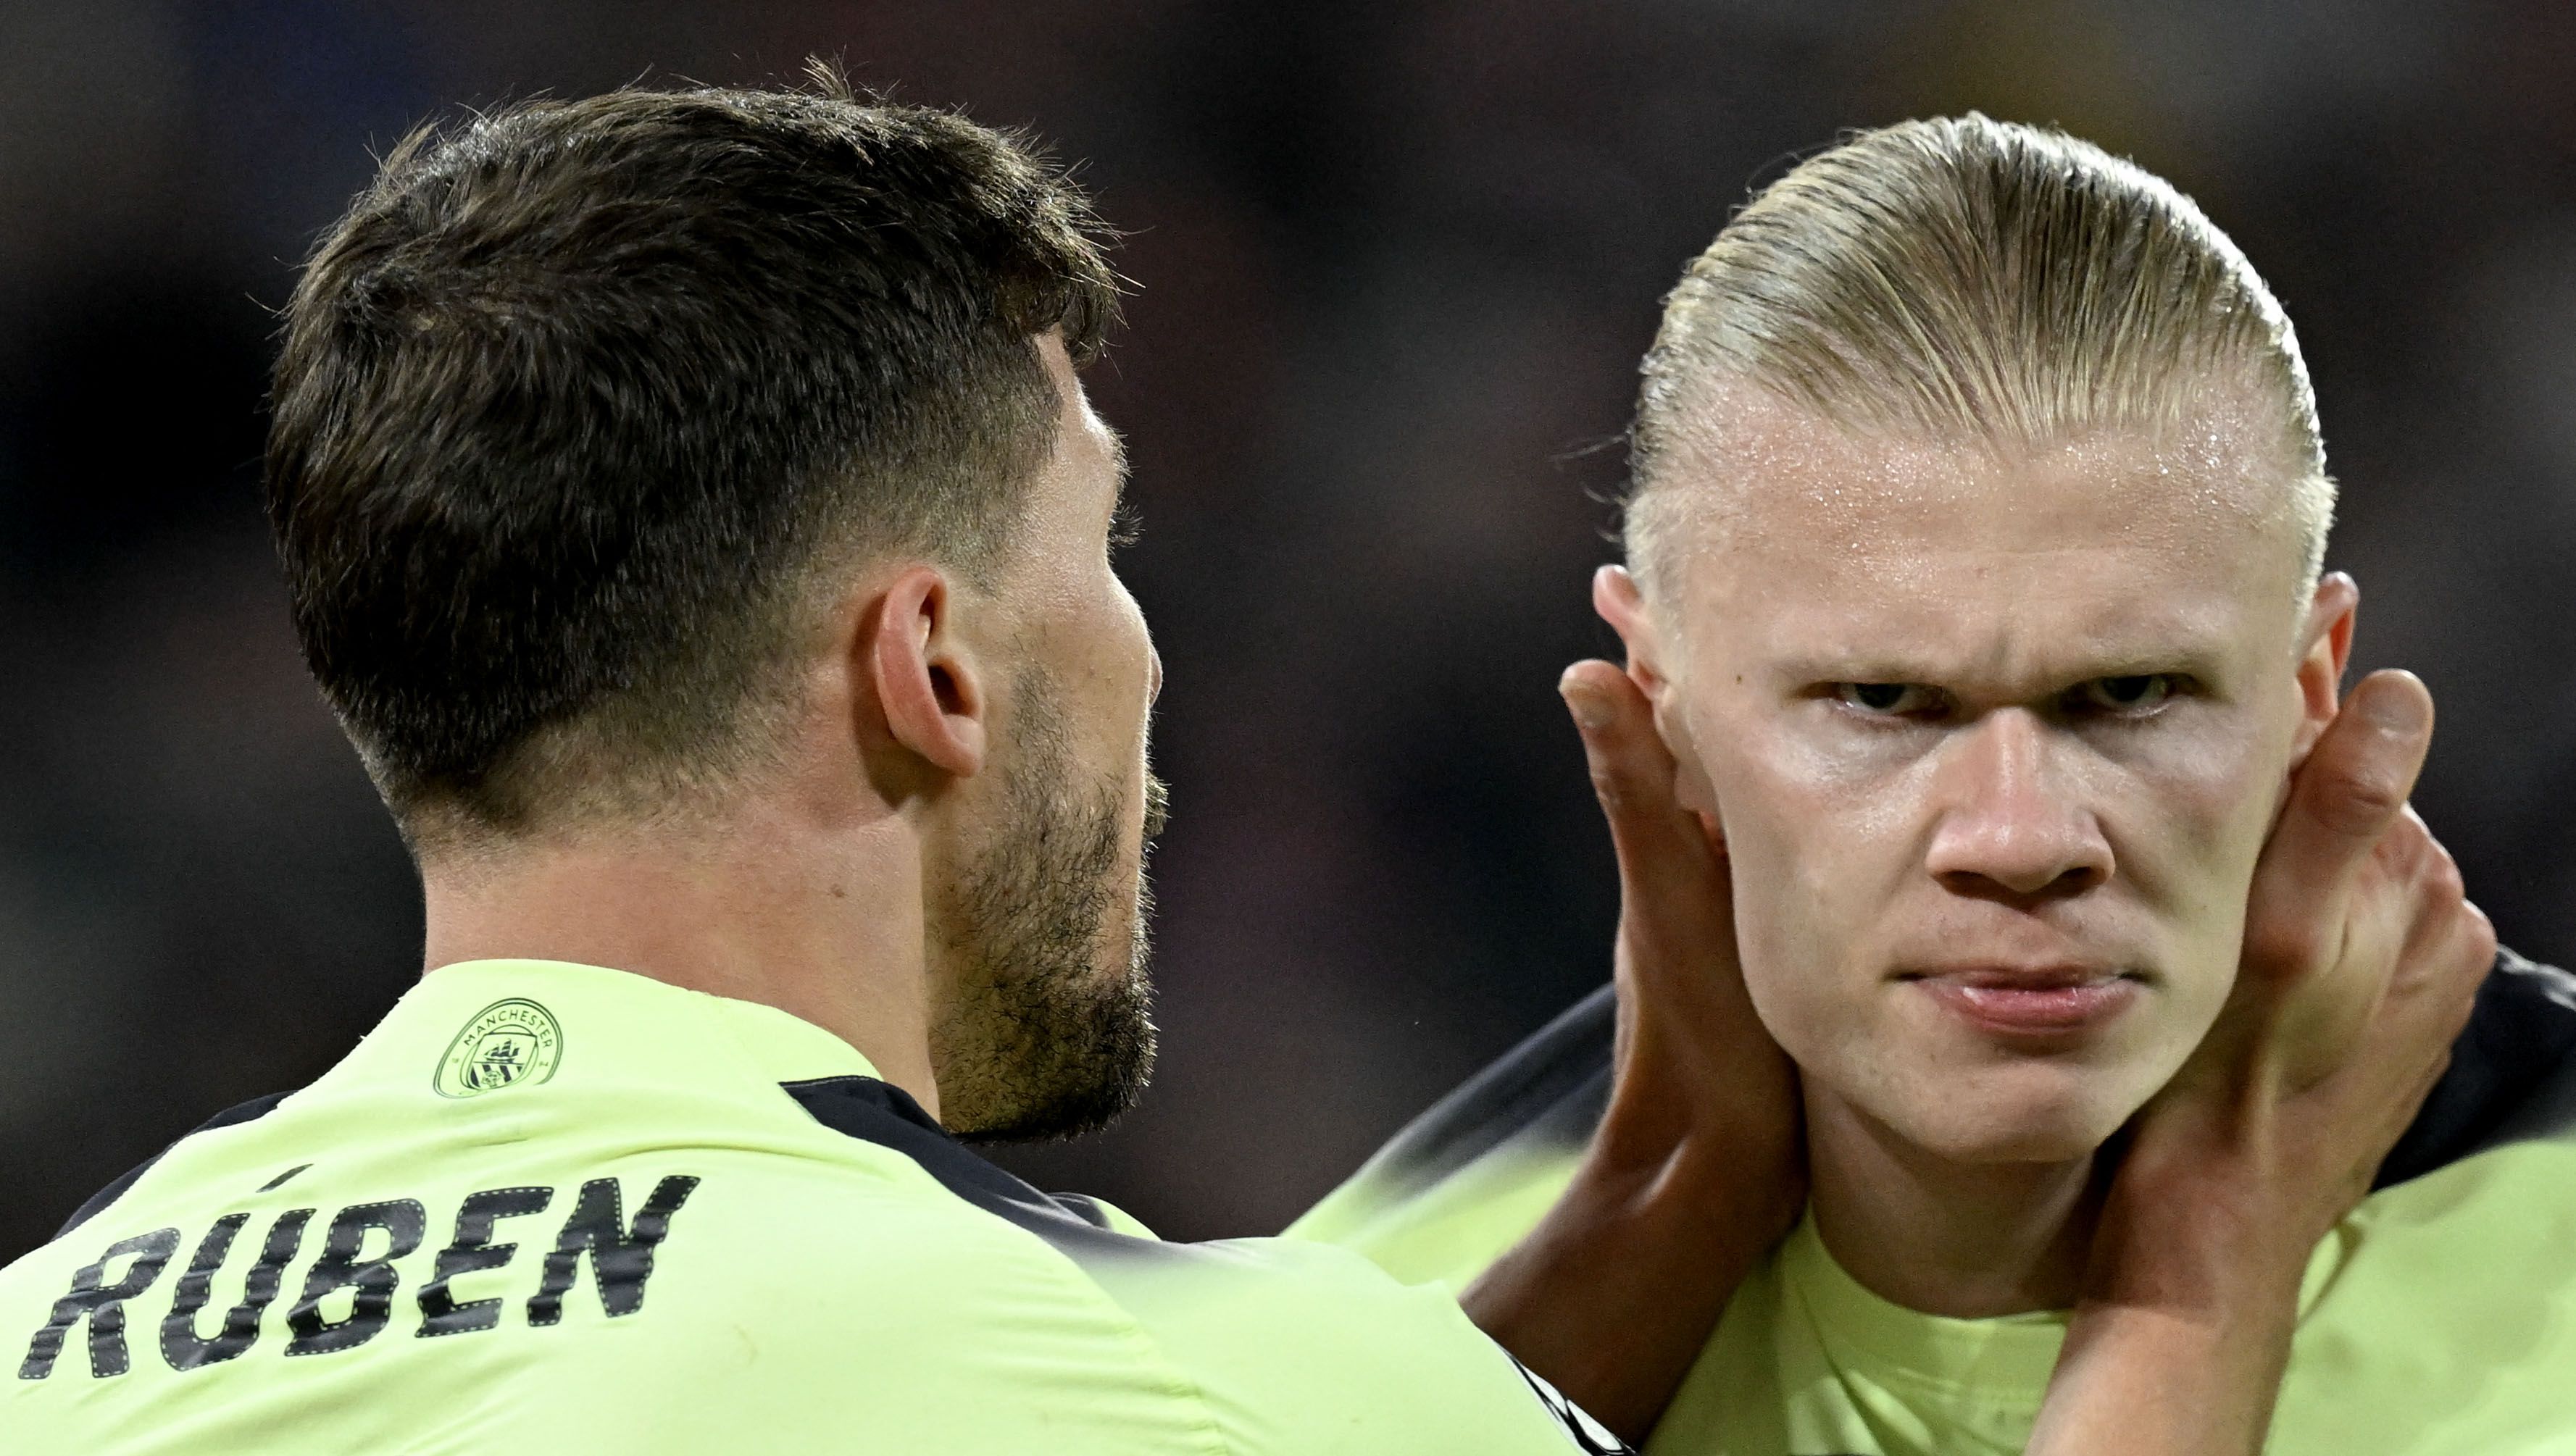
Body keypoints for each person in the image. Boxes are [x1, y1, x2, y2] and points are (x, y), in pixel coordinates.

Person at [0, 80, 2488, 1455]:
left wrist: (1661, 1178)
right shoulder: (1149, 1372)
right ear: (933, 672)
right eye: (1103, 549)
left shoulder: (48, 1350)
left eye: (2123, 697)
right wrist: (2198, 1276)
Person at [1291, 114, 2576, 1455]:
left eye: (2131, 694)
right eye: (1886, 702)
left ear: (2314, 692)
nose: (2021, 840)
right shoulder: (1330, 1330)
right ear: (1662, 710)